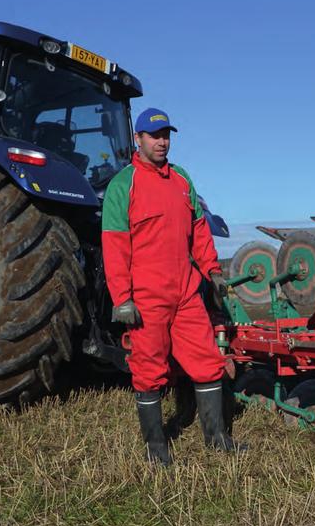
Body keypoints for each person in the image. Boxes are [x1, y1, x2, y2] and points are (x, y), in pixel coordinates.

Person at [101, 107, 241, 465]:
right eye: (154, 136)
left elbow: (198, 231)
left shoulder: (181, 180)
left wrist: (212, 270)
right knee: (149, 368)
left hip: (185, 292)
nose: (162, 142)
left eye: (166, 135)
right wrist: (123, 299)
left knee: (208, 361)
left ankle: (217, 438)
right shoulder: (124, 185)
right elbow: (115, 247)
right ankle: (156, 448)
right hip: (147, 296)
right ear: (139, 139)